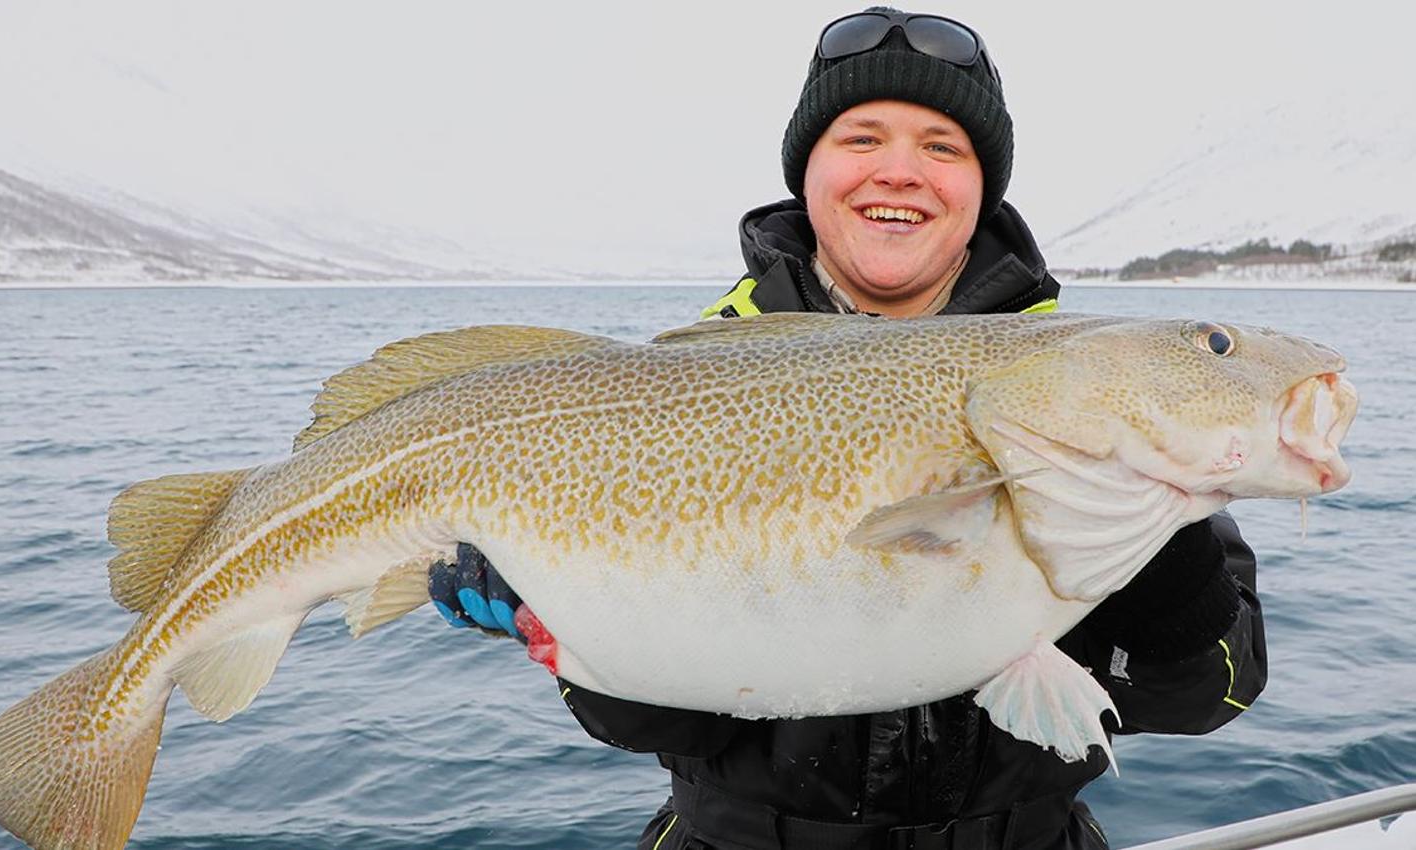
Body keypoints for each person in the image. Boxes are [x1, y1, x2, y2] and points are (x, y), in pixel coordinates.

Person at [428, 9, 1266, 849]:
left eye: (942, 147)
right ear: (808, 173)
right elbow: (656, 725)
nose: (899, 171)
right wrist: (558, 622)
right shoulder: (686, 392)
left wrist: (1166, 561)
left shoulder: (1089, 384)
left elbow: (1213, 696)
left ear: (983, 188)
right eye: (861, 139)